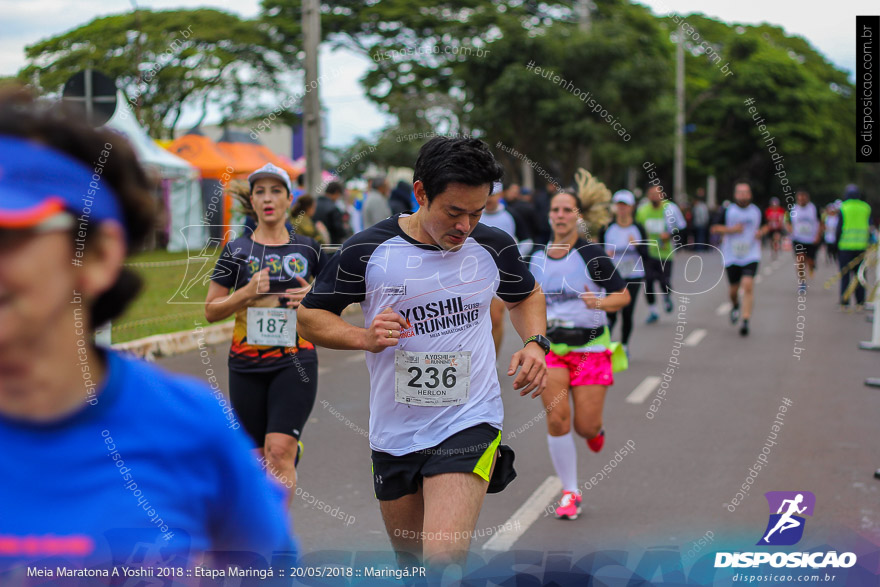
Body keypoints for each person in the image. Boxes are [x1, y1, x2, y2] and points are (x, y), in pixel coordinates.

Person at [0, 88, 294, 570]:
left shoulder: (192, 430)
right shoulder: (236, 251)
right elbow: (212, 308)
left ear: (96, 256)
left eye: (8, 234)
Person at [297, 136, 548, 567]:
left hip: (468, 418)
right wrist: (364, 337)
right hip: (394, 431)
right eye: (454, 212)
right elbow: (309, 316)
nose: (466, 225)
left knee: (442, 561)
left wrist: (536, 344)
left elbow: (526, 295)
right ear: (420, 193)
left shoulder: (492, 246)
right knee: (413, 567)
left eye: (477, 212)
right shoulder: (367, 250)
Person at [205, 162, 326, 501]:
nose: (268, 198)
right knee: (256, 461)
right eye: (260, 192)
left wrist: (313, 298)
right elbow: (211, 310)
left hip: (295, 361)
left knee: (278, 451)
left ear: (289, 198)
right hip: (246, 364)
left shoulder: (309, 249)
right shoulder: (236, 251)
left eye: (276, 191)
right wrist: (244, 294)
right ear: (253, 201)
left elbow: (340, 305)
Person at [530, 189, 630, 520]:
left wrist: (599, 303)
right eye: (555, 209)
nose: (560, 215)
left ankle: (595, 433)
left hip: (589, 349)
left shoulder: (592, 254)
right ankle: (570, 492)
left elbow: (623, 297)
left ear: (578, 217)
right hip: (553, 351)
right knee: (558, 420)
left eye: (567, 210)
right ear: (549, 216)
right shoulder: (534, 256)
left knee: (585, 427)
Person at [711, 181, 766, 336]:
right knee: (733, 291)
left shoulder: (756, 211)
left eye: (746, 192)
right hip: (731, 255)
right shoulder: (728, 211)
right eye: (740, 192)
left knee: (748, 285)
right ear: (735, 195)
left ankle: (745, 320)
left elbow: (766, 226)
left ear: (750, 194)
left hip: (751, 253)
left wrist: (761, 231)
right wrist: (731, 230)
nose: (743, 195)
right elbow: (714, 228)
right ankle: (735, 305)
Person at [601, 190, 648, 357]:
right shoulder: (608, 228)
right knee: (610, 312)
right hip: (613, 276)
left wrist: (637, 245)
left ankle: (625, 344)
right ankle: (605, 344)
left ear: (631, 208)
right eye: (619, 205)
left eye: (625, 206)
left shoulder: (638, 228)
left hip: (634, 275)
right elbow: (599, 252)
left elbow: (647, 253)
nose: (622, 209)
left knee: (627, 312)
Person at [635, 184, 685, 323]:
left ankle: (666, 296)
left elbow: (681, 229)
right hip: (648, 253)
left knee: (664, 281)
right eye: (651, 194)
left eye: (656, 194)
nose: (654, 196)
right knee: (648, 281)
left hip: (665, 252)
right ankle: (653, 311)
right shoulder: (642, 210)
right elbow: (637, 228)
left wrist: (669, 235)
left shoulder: (670, 209)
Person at [480, 182, 519, 357]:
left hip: (500, 274)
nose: (490, 199)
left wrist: (513, 258)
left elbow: (524, 240)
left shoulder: (509, 216)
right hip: (476, 273)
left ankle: (493, 359)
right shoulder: (475, 214)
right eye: (488, 194)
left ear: (501, 195)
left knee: (496, 319)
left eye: (494, 195)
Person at [836, 184, 873, 311]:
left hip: (846, 247)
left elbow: (839, 228)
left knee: (845, 275)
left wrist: (836, 245)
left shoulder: (843, 207)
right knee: (860, 276)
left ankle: (844, 302)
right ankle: (860, 303)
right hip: (862, 247)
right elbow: (870, 227)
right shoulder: (865, 208)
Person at [784, 189, 822, 292]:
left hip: (811, 239)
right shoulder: (792, 209)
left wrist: (818, 236)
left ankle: (811, 266)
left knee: (810, 261)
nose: (801, 200)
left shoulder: (814, 208)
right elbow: (786, 221)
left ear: (807, 198)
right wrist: (790, 230)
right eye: (799, 198)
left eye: (803, 197)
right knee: (800, 260)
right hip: (798, 239)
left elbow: (821, 222)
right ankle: (802, 282)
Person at [313, 181, 352, 245]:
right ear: (336, 192)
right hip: (330, 246)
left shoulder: (314, 203)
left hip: (314, 244)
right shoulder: (334, 209)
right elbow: (339, 230)